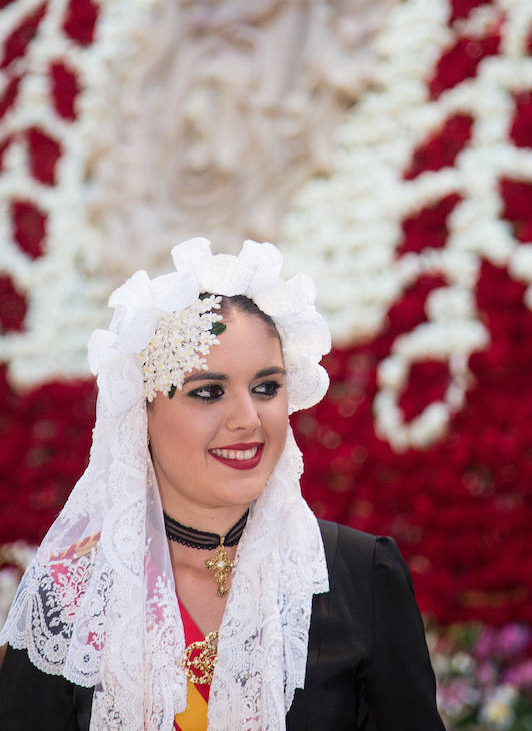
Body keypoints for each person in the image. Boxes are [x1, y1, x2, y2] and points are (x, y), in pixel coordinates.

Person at [0, 238, 445, 730]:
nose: (248, 419)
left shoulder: (360, 575)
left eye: (266, 388)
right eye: (209, 392)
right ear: (142, 413)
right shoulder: (76, 593)